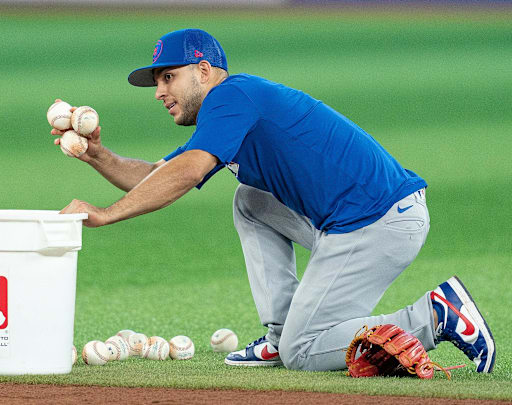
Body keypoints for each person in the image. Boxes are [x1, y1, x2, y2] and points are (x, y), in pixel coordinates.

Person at [54, 28, 494, 373]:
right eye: (156, 81)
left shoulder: (231, 97)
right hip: (356, 219)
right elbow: (158, 176)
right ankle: (279, 334)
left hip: (378, 223)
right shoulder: (230, 107)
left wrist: (106, 215)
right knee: (251, 199)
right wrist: (97, 155)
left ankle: (435, 315)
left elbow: (187, 173)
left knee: (304, 351)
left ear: (203, 71)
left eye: (168, 77)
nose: (158, 91)